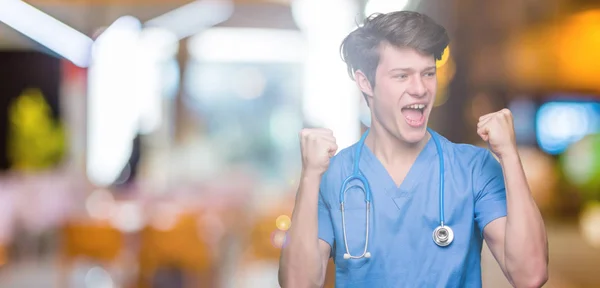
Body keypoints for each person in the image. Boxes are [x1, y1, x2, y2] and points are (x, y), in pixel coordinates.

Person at [278, 11, 548, 287]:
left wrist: (510, 156)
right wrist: (310, 176)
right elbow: (298, 283)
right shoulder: (333, 176)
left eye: (428, 73)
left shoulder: (473, 169)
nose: (420, 89)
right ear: (365, 82)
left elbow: (530, 275)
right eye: (402, 76)